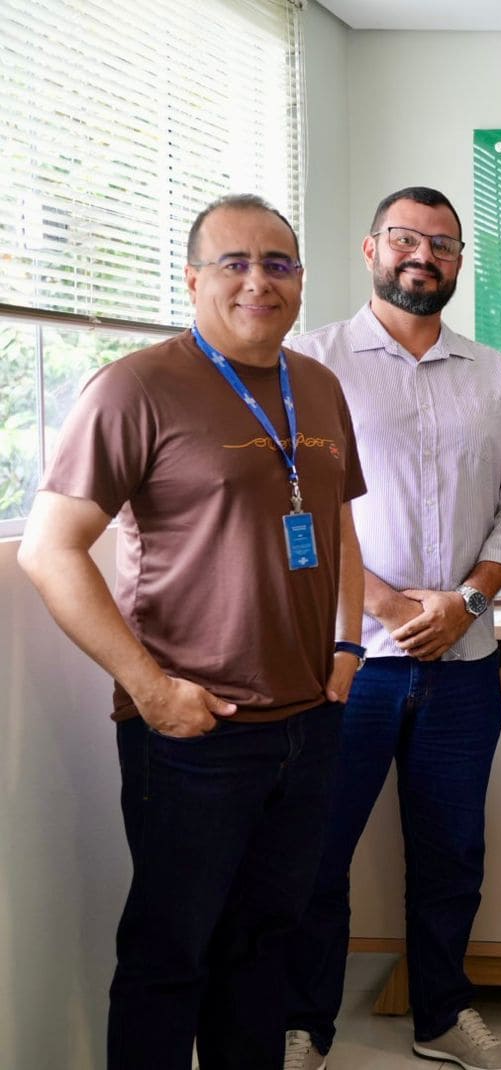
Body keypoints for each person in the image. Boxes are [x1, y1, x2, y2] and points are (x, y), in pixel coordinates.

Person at [17, 194, 365, 1070]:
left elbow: (340, 527)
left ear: (300, 280)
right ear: (193, 280)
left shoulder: (317, 384)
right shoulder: (136, 386)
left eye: (278, 264)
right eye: (235, 263)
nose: (259, 281)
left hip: (307, 723)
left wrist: (350, 646)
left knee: (263, 951)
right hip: (195, 731)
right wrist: (152, 690)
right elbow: (50, 552)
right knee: (171, 959)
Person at [282, 187, 501, 1070]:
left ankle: (442, 1016)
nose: (421, 255)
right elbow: (300, 508)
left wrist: (464, 601)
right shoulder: (310, 365)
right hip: (349, 664)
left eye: (441, 242)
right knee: (318, 854)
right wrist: (388, 605)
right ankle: (305, 1027)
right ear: (370, 249)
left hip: (464, 663)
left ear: (461, 261)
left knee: (451, 855)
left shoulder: (497, 376)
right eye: (404, 238)